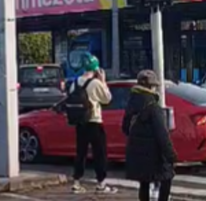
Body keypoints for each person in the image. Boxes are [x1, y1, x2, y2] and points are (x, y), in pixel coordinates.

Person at [67, 53, 118, 194]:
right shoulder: (95, 83)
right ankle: (101, 183)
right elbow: (107, 99)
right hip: (94, 121)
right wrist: (103, 82)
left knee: (80, 152)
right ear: (96, 68)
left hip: (80, 122)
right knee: (99, 153)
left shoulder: (75, 82)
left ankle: (76, 182)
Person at [122, 70, 176, 201]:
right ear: (152, 87)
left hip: (136, 151)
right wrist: (170, 154)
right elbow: (162, 134)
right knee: (166, 178)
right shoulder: (153, 106)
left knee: (144, 183)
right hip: (154, 153)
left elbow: (125, 128)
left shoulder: (131, 103)